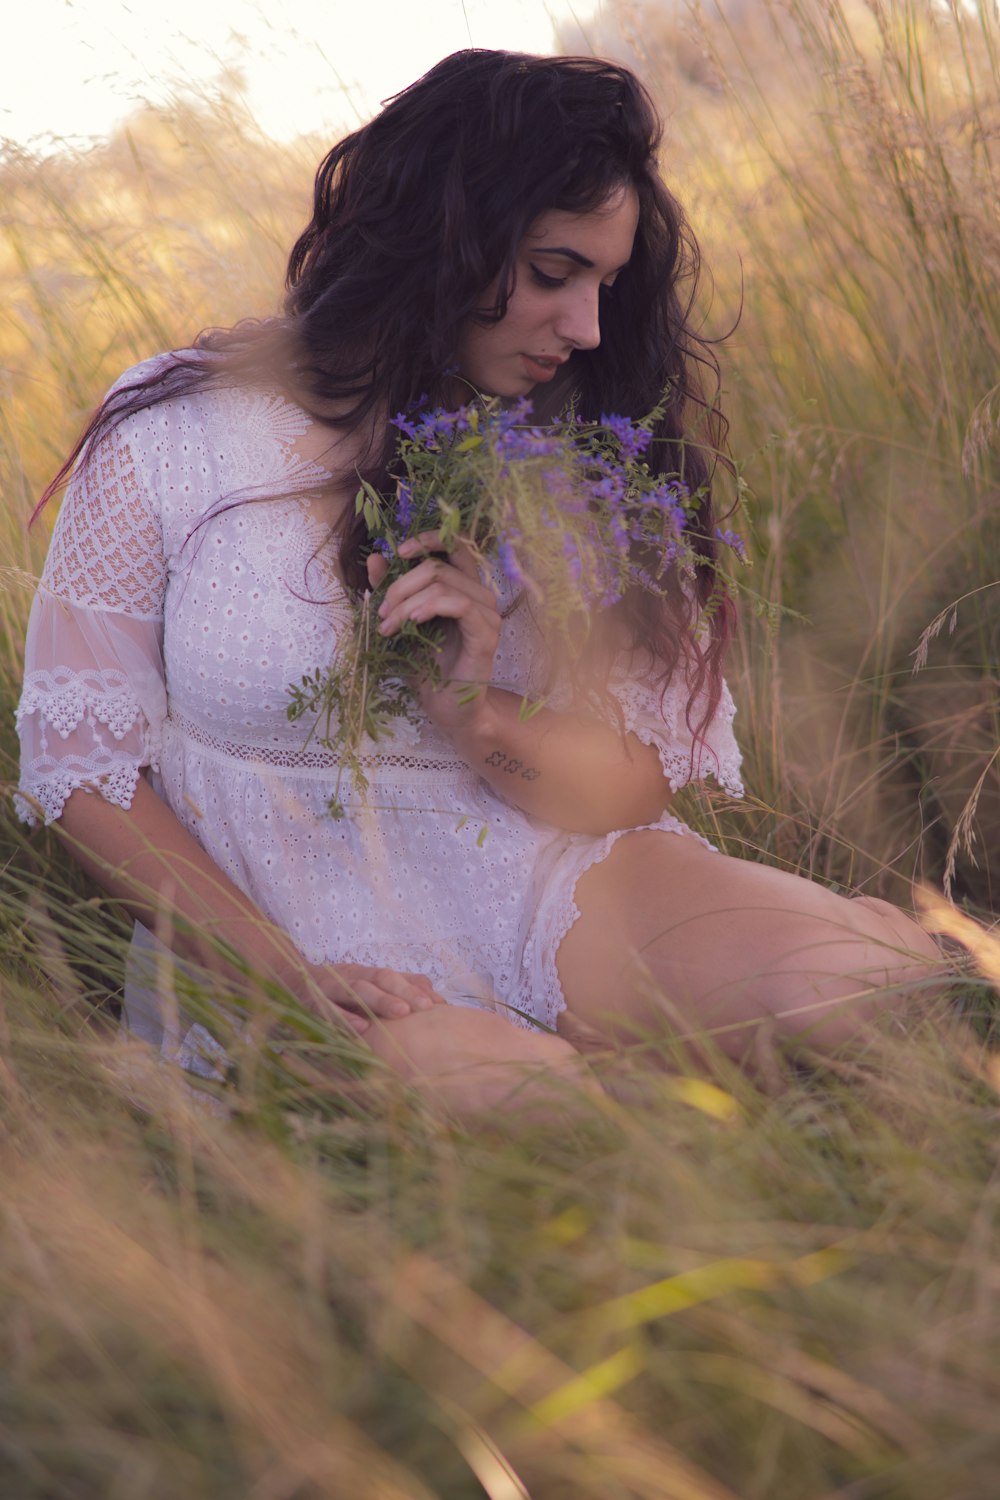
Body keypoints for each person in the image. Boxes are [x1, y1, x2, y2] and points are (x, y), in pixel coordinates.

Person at [15, 51, 940, 1115]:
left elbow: (629, 787)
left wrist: (475, 713)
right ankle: (633, 1087)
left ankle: (746, 1025)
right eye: (554, 274)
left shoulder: (588, 450)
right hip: (287, 931)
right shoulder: (178, 434)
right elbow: (81, 768)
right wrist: (286, 984)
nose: (587, 327)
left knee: (879, 992)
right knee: (554, 1111)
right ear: (440, 239)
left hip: (550, 885)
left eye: (606, 282)